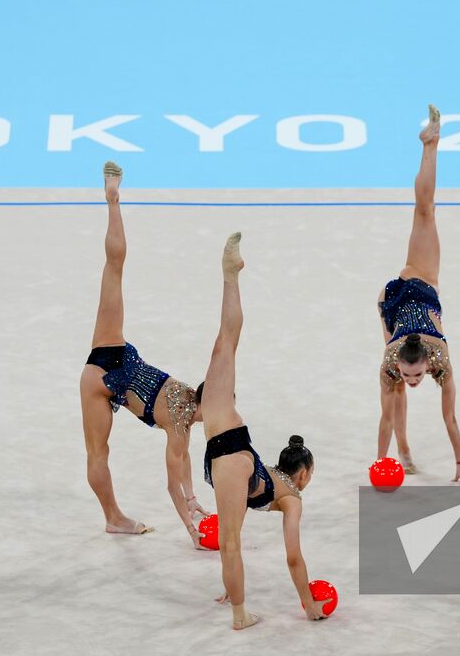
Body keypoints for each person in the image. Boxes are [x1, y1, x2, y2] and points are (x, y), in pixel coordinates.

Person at [200, 233, 327, 630]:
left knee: (226, 344)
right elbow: (293, 556)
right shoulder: (291, 498)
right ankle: (238, 611)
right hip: (229, 455)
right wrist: (308, 604)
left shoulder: (277, 482)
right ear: (303, 473)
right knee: (226, 343)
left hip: (231, 454)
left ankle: (231, 277)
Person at [79, 162, 208, 547]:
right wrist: (191, 527)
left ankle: (112, 202)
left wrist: (193, 498)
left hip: (108, 351)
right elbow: (173, 477)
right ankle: (114, 518)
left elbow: (184, 465)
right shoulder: (182, 425)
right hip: (104, 377)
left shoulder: (186, 398)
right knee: (98, 453)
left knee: (115, 269)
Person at [377, 105, 460, 485]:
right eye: (411, 373)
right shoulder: (392, 359)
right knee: (393, 396)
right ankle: (402, 452)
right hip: (391, 306)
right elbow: (385, 416)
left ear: (428, 364)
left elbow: (449, 417)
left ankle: (430, 145)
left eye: (417, 374)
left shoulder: (441, 357)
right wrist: (379, 462)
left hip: (414, 282)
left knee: (425, 212)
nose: (415, 378)